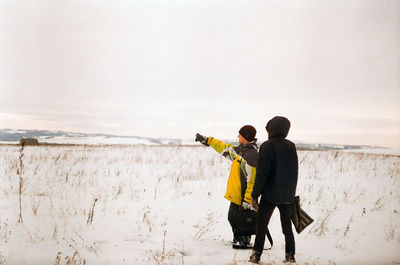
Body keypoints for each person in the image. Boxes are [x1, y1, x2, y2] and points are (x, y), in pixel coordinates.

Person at [195, 125, 258, 249]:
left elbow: (252, 180)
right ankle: (238, 239)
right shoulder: (242, 150)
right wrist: (207, 140)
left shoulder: (251, 155)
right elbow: (224, 148)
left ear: (245, 136)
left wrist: (248, 199)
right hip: (236, 192)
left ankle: (244, 241)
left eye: (239, 134)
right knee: (233, 217)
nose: (237, 136)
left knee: (242, 218)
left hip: (243, 194)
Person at [249, 116, 298, 264]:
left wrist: (255, 194)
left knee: (262, 225)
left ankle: (256, 254)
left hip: (270, 194)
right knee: (287, 227)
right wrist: (290, 193)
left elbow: (262, 174)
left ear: (272, 129)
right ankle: (290, 256)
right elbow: (294, 171)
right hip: (287, 195)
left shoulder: (267, 146)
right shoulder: (291, 146)